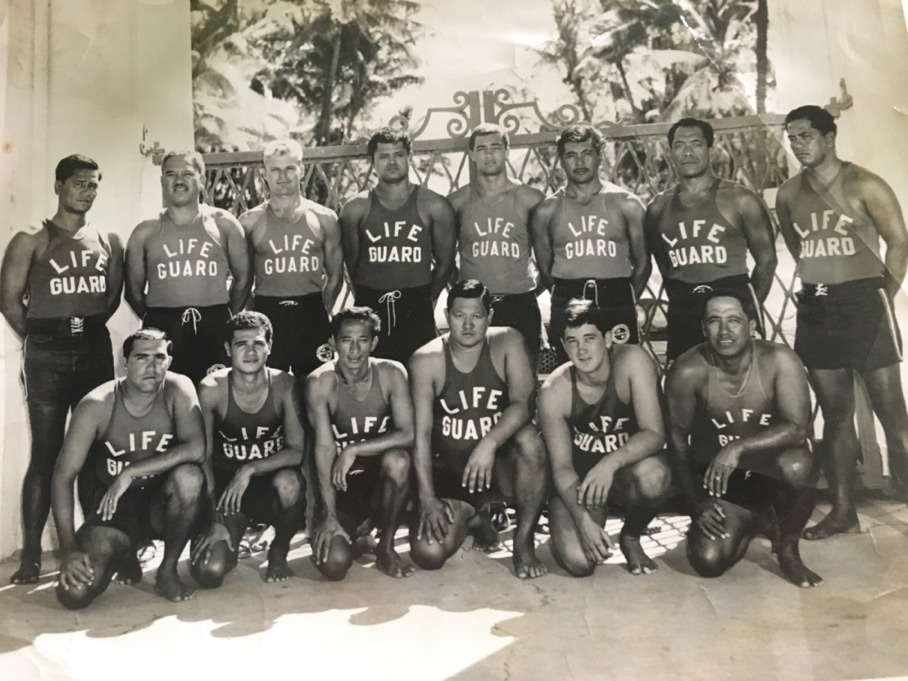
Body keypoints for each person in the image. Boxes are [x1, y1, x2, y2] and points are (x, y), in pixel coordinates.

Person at [775, 105, 908, 539]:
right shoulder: (789, 194)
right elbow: (798, 247)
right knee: (835, 415)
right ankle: (844, 511)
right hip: (818, 307)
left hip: (865, 302)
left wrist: (880, 295)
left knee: (894, 415)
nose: (798, 144)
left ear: (830, 137)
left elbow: (899, 243)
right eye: (792, 137)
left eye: (806, 135)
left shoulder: (865, 183)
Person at [0, 154, 123, 584]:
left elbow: (109, 300)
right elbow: (10, 301)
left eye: (92, 184)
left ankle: (98, 542)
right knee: (46, 455)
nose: (86, 191)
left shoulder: (108, 238)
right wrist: (42, 335)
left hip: (93, 347)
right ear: (58, 186)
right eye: (77, 184)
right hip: (48, 352)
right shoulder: (30, 238)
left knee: (96, 452)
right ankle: (32, 553)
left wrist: (81, 330)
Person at [665, 291, 822, 587]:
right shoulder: (687, 371)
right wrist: (696, 503)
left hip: (772, 474)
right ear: (703, 328)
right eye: (715, 321)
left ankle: (788, 549)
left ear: (752, 326)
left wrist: (738, 445)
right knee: (707, 562)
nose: (724, 331)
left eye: (734, 320)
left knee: (799, 464)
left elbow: (798, 428)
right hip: (723, 485)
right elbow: (677, 443)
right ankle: (755, 521)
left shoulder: (780, 360)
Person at [51, 329, 207, 608]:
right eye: (141, 357)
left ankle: (167, 570)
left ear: (169, 360)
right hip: (116, 512)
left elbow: (196, 448)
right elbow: (63, 477)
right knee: (73, 595)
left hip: (162, 505)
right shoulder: (96, 404)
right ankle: (125, 555)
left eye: (160, 357)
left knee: (189, 477)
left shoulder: (178, 389)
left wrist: (130, 471)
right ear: (124, 363)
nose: (152, 366)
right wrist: (69, 550)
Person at [408, 279, 547, 579]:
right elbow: (419, 436)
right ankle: (474, 517)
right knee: (428, 554)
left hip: (496, 466)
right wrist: (428, 498)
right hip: (452, 471)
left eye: (477, 316)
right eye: (459, 316)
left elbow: (524, 405)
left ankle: (523, 544)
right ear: (446, 316)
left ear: (490, 318)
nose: (468, 325)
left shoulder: (508, 341)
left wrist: (489, 443)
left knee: (530, 441)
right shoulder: (425, 360)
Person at [538, 299, 670, 577]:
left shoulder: (633, 361)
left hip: (623, 471)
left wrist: (609, 464)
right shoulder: (554, 390)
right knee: (579, 563)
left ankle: (631, 536)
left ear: (608, 339)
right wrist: (582, 521)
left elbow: (655, 434)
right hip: (581, 482)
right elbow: (561, 468)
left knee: (654, 474)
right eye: (572, 341)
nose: (581, 349)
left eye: (589, 338)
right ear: (563, 345)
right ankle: (566, 525)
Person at [645, 117, 777, 362]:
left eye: (696, 144)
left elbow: (767, 261)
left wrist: (747, 310)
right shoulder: (658, 207)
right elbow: (665, 264)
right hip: (684, 306)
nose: (687, 152)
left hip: (731, 299)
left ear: (710, 149)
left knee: (742, 382)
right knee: (686, 384)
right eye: (679, 145)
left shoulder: (740, 198)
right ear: (670, 152)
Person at [188, 312, 306, 586]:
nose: (251, 352)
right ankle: (236, 532)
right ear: (228, 349)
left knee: (290, 482)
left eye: (258, 343)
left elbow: (297, 451)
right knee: (209, 572)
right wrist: (213, 518)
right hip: (230, 496)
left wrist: (250, 468)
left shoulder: (285, 385)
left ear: (270, 347)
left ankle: (279, 549)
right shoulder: (212, 389)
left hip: (269, 487)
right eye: (242, 344)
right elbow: (202, 457)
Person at [305, 307, 414, 580]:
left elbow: (407, 433)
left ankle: (386, 547)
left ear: (373, 342)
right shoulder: (320, 382)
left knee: (398, 460)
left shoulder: (391, 373)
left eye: (362, 340)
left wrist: (354, 449)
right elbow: (323, 449)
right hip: (344, 485)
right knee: (334, 565)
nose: (354, 350)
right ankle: (358, 536)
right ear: (333, 343)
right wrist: (328, 515)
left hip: (382, 482)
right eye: (346, 340)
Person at [125, 150, 250, 384]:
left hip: (213, 322)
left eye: (187, 174)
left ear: (201, 179)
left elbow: (243, 279)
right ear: (162, 181)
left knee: (216, 394)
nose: (179, 180)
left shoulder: (224, 224)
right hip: (165, 325)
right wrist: (158, 319)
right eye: (171, 174)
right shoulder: (145, 231)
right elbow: (132, 291)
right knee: (165, 397)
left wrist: (223, 318)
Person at [530, 123, 648, 364]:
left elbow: (644, 263)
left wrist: (622, 299)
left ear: (599, 156)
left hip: (615, 297)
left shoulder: (626, 203)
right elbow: (545, 269)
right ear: (561, 161)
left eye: (587, 153)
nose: (580, 162)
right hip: (569, 298)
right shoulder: (547, 210)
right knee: (572, 372)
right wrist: (566, 297)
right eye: (571, 155)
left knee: (622, 370)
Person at [339, 127, 456, 364]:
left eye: (398, 155)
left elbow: (445, 263)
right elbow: (353, 265)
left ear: (409, 157)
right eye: (383, 156)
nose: (392, 162)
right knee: (373, 380)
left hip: (416, 305)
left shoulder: (434, 205)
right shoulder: (355, 209)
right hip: (371, 306)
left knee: (420, 378)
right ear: (372, 161)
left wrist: (426, 299)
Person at [240, 139, 344, 377]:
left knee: (318, 384)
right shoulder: (249, 221)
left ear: (302, 170)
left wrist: (320, 310)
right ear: (265, 174)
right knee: (270, 388)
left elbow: (336, 276)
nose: (282, 176)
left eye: (289, 168)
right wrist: (256, 316)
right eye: (275, 169)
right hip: (268, 311)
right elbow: (242, 280)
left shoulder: (324, 218)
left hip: (311, 311)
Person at [448, 123, 546, 369]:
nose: (489, 155)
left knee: (525, 383)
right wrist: (463, 291)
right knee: (478, 379)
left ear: (507, 151)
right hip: (476, 305)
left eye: (495, 148)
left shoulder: (530, 199)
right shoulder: (457, 202)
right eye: (481, 149)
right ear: (471, 155)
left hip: (520, 303)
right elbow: (443, 258)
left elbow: (549, 256)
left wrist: (530, 292)